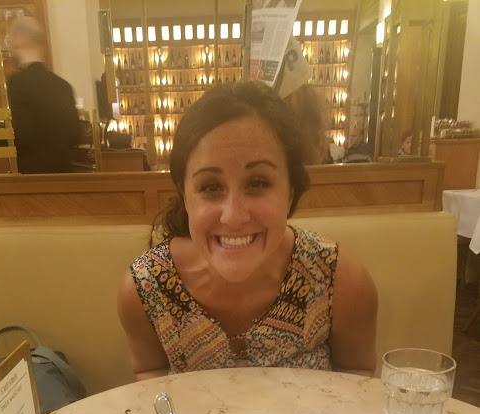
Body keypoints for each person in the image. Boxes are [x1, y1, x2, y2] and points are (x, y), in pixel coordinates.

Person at [117, 81, 378, 380]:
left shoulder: (338, 280)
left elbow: (357, 379)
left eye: (257, 183)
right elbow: (150, 380)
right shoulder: (145, 289)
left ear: (290, 192)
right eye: (210, 187)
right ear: (185, 196)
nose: (234, 216)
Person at [6, 16, 81, 173]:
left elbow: (22, 134)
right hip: (64, 172)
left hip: (32, 176)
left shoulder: (17, 82)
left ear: (18, 41)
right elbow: (75, 134)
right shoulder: (63, 86)